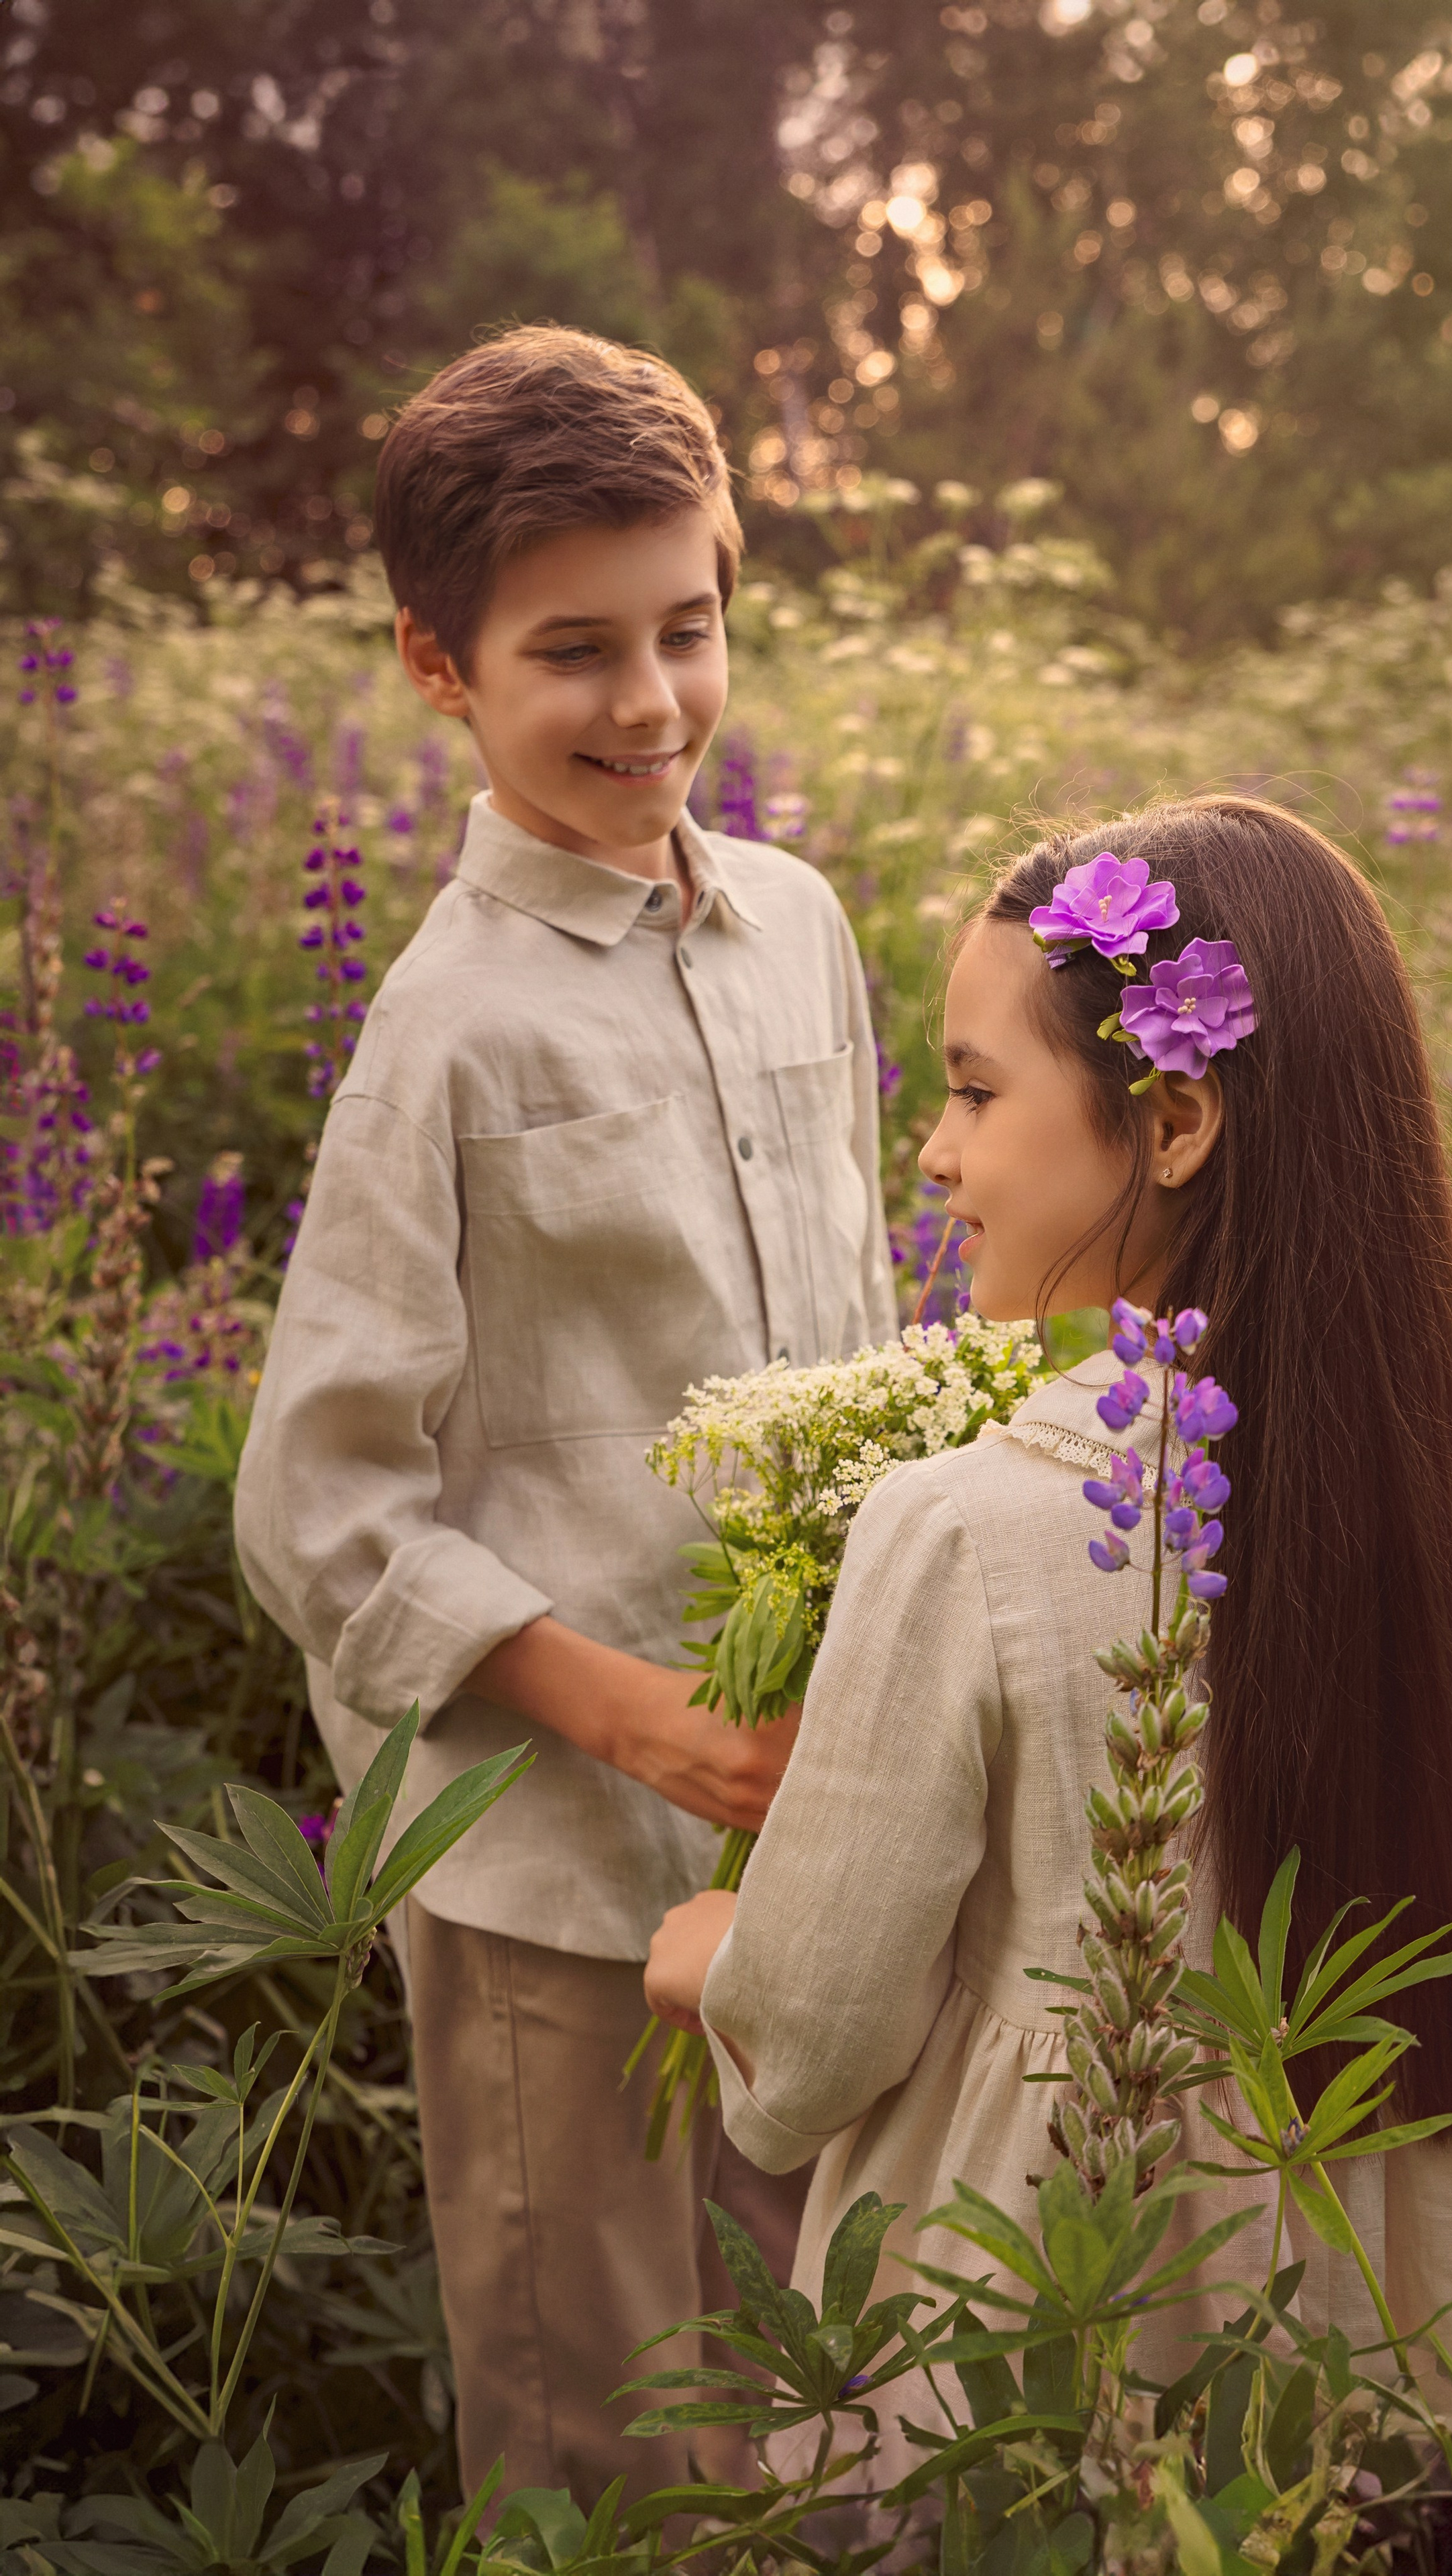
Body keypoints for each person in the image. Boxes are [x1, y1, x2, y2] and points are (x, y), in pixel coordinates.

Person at [643, 797, 1452, 2475]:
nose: (936, 1155)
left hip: (1045, 2354)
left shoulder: (962, 1530)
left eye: (975, 1092)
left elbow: (814, 2039)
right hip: (1385, 2353)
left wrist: (710, 1952)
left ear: (1175, 1119)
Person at [234, 324, 896, 2508]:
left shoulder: (800, 933)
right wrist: (634, 1722)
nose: (649, 703)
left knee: (830, 2397)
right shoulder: (447, 1029)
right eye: (573, 653)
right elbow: (320, 1511)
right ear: (439, 666)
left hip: (812, 1830)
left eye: (686, 628)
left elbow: (869, 1340)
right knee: (610, 2444)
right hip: (553, 1877)